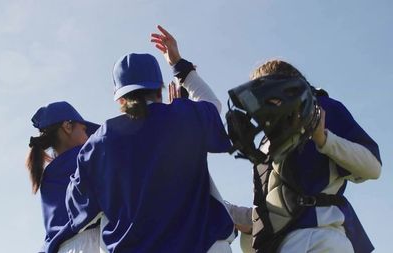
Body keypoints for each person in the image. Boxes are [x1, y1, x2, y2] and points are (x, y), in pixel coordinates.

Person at [46, 25, 236, 253]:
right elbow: (213, 105)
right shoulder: (184, 114)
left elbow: (77, 210)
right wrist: (180, 67)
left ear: (120, 100)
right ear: (160, 89)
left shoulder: (98, 143)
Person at [238, 60, 382, 253]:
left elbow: (373, 167)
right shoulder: (265, 142)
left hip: (320, 238)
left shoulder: (321, 108)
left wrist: (323, 139)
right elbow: (268, 213)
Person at [27, 101, 101, 253]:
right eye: (84, 130)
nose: (88, 137)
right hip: (90, 243)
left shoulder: (47, 175)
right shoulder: (85, 156)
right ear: (67, 127)